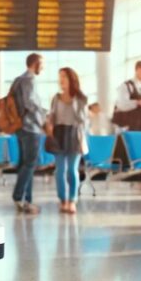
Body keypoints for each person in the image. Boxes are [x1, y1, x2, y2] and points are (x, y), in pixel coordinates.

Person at [47, 67, 89, 214]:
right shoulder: (56, 98)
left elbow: (82, 120)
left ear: (71, 79)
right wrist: (49, 126)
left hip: (74, 134)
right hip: (59, 134)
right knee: (60, 171)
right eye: (60, 77)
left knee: (72, 169)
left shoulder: (81, 98)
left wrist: (74, 101)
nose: (61, 80)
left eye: (64, 76)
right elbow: (51, 116)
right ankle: (63, 199)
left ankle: (72, 200)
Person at [11, 53, 47, 214]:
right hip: (30, 127)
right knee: (30, 163)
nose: (43, 67)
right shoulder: (29, 80)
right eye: (42, 64)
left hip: (21, 127)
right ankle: (19, 197)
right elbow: (30, 103)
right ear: (35, 63)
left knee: (27, 165)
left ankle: (27, 200)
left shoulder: (18, 80)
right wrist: (43, 118)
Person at [113, 60, 141, 132]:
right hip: (131, 127)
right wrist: (138, 102)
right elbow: (121, 105)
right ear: (138, 69)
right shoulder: (126, 85)